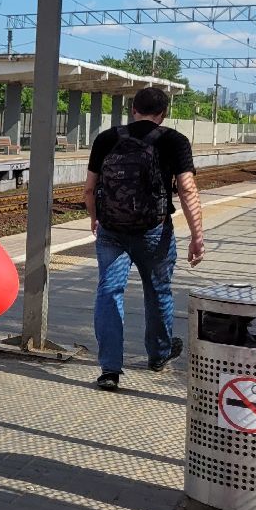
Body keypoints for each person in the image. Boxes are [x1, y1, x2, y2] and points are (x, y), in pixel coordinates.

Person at [85, 85, 205, 392]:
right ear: (163, 114)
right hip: (154, 231)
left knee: (109, 292)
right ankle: (158, 355)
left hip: (112, 231)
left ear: (132, 109)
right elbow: (188, 189)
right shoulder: (174, 140)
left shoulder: (107, 138)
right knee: (158, 292)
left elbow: (89, 189)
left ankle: (110, 369)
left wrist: (94, 218)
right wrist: (197, 236)